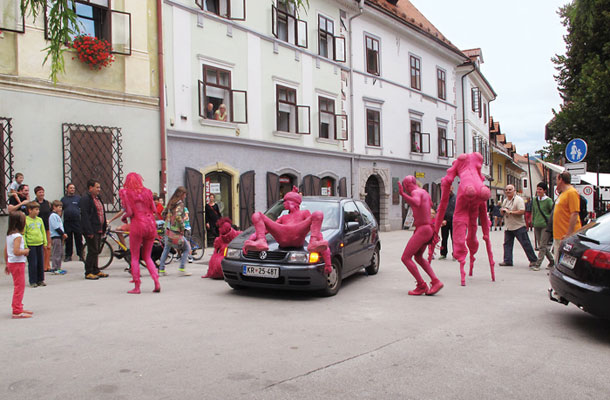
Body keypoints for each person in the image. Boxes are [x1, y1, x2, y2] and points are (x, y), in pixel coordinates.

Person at [243, 186, 331, 272]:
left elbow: (316, 230)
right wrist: (251, 240)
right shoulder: (283, 217)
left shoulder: (304, 213)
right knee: (257, 215)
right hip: (282, 233)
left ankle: (313, 241)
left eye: (286, 201)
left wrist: (328, 263)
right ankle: (261, 241)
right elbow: (265, 230)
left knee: (318, 214)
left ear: (293, 202)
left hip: (298, 232)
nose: (284, 203)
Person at [398, 176, 443, 295]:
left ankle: (421, 285)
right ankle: (435, 281)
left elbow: (417, 203)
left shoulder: (415, 192)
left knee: (405, 258)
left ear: (407, 185)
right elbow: (430, 204)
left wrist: (403, 194)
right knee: (418, 257)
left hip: (422, 229)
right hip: (427, 228)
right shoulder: (424, 192)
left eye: (405, 186)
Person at [119, 172, 161, 294]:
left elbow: (130, 212)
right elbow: (153, 209)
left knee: (135, 257)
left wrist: (124, 218)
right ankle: (156, 281)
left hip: (137, 224)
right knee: (147, 256)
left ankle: (137, 286)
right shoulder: (147, 192)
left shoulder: (126, 193)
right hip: (150, 224)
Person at [499, 185, 537, 268]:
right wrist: (502, 211)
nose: (508, 191)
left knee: (525, 243)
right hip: (508, 226)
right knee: (507, 244)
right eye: (506, 190)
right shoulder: (505, 201)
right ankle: (507, 260)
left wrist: (510, 212)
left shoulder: (518, 200)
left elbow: (522, 211)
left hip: (518, 226)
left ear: (514, 191)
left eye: (510, 190)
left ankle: (533, 260)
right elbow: (502, 212)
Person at [4, 212, 33, 319]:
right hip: (17, 263)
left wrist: (7, 262)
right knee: (19, 287)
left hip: (12, 262)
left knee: (18, 286)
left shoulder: (10, 235)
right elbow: (16, 251)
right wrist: (25, 250)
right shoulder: (18, 236)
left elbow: (6, 250)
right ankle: (16, 310)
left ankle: (19, 307)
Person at [158, 186, 192, 276]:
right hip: (175, 230)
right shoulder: (180, 204)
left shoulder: (171, 202)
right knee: (186, 248)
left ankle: (161, 269)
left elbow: (163, 213)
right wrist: (182, 226)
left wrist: (167, 221)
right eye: (184, 194)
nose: (185, 196)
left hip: (168, 229)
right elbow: (178, 216)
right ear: (182, 194)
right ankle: (182, 268)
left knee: (167, 248)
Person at [80, 179, 108, 280]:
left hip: (99, 228)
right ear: (90, 188)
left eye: (99, 187)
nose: (99, 189)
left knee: (96, 250)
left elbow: (102, 213)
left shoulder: (98, 198)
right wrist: (89, 231)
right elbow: (85, 216)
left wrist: (104, 226)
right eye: (97, 187)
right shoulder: (85, 199)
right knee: (92, 250)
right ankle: (88, 271)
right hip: (91, 229)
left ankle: (96, 269)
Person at [553, 171, 581, 263]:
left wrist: (569, 233)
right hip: (559, 234)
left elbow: (575, 213)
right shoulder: (563, 193)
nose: (556, 182)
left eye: (557, 179)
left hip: (565, 235)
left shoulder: (571, 193)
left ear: (561, 179)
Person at [532, 182, 554, 271]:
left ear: (544, 191)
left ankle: (538, 264)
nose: (538, 191)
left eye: (540, 189)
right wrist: (532, 222)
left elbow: (552, 212)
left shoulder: (548, 201)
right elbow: (534, 211)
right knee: (541, 245)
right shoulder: (535, 200)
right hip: (537, 224)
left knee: (542, 245)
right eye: (537, 189)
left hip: (545, 225)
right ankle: (552, 261)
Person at [24, 201, 47, 287]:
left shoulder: (39, 220)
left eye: (38, 210)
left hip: (39, 243)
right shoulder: (26, 220)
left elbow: (43, 231)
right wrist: (25, 245)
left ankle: (40, 279)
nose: (38, 211)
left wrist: (45, 242)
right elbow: (24, 233)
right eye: (36, 209)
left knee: (40, 262)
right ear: (30, 210)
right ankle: (33, 281)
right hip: (31, 244)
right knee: (33, 263)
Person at [61, 183, 84, 262]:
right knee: (68, 239)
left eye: (73, 188)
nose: (72, 189)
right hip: (67, 222)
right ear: (67, 189)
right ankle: (68, 255)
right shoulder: (63, 199)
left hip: (77, 222)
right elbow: (61, 210)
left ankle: (81, 255)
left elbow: (82, 209)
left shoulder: (78, 198)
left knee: (78, 239)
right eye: (71, 188)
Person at [33, 186, 52, 271]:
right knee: (42, 247)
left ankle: (47, 264)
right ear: (36, 193)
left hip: (47, 227)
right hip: (38, 228)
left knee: (48, 246)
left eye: (42, 192)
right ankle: (42, 265)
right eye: (39, 192)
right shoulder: (34, 203)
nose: (41, 194)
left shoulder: (47, 203)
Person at [48, 200, 68, 275]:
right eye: (59, 207)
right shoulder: (53, 216)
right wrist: (63, 234)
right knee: (56, 252)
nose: (60, 209)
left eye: (61, 207)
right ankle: (55, 268)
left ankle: (58, 267)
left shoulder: (57, 216)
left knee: (60, 252)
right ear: (54, 207)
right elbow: (56, 227)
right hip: (56, 236)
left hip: (59, 236)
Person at [439, 186, 455, 260]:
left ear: (452, 188)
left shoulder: (456, 198)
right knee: (444, 238)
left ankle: (455, 254)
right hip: (444, 221)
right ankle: (443, 253)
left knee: (454, 238)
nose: (449, 189)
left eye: (450, 188)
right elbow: (440, 209)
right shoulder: (443, 199)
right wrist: (441, 219)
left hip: (454, 221)